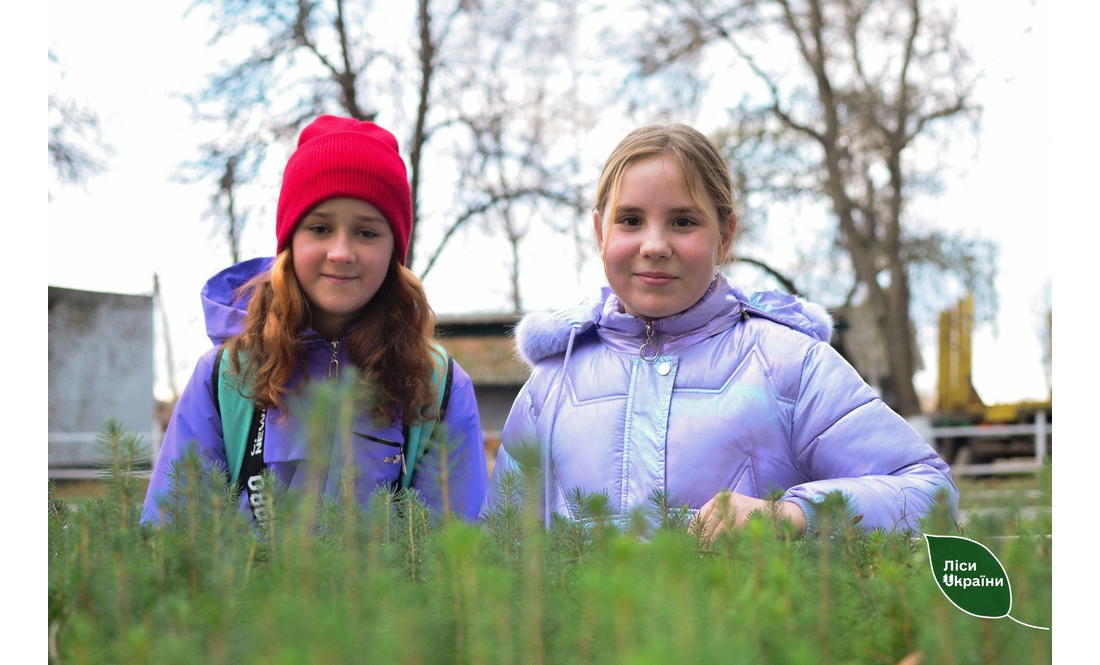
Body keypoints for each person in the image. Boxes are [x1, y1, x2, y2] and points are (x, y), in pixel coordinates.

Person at [480, 124, 957, 537]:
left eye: (683, 221)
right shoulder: (552, 385)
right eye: (630, 220)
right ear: (599, 232)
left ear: (725, 235)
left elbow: (928, 492)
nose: (654, 244)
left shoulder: (789, 365)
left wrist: (789, 515)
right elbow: (502, 546)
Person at [144, 115, 488, 524]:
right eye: (320, 228)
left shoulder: (437, 384)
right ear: (291, 241)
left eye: (367, 233)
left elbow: (456, 551)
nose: (341, 252)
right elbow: (174, 540)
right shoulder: (226, 376)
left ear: (395, 249)